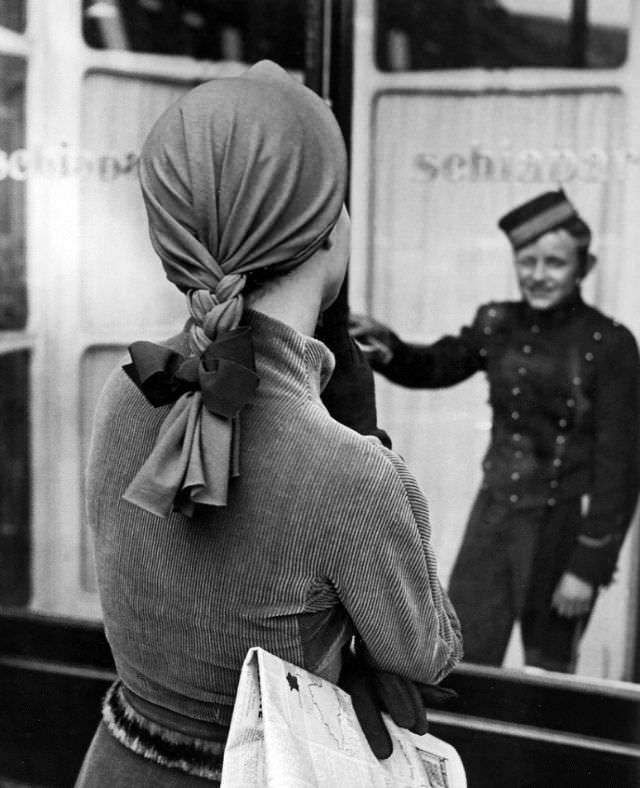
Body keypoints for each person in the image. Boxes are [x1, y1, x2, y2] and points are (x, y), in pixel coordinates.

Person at [74, 61, 461, 786]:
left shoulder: (128, 390)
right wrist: (370, 445)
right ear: (326, 233)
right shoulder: (351, 471)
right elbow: (426, 652)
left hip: (114, 765)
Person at [351, 189, 640, 674]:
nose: (539, 275)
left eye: (555, 262)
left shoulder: (610, 345)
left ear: (582, 267)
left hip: (559, 531)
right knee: (464, 661)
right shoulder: (497, 323)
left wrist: (586, 569)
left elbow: (622, 470)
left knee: (547, 673)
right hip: (493, 519)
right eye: (527, 261)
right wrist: (390, 348)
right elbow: (438, 364)